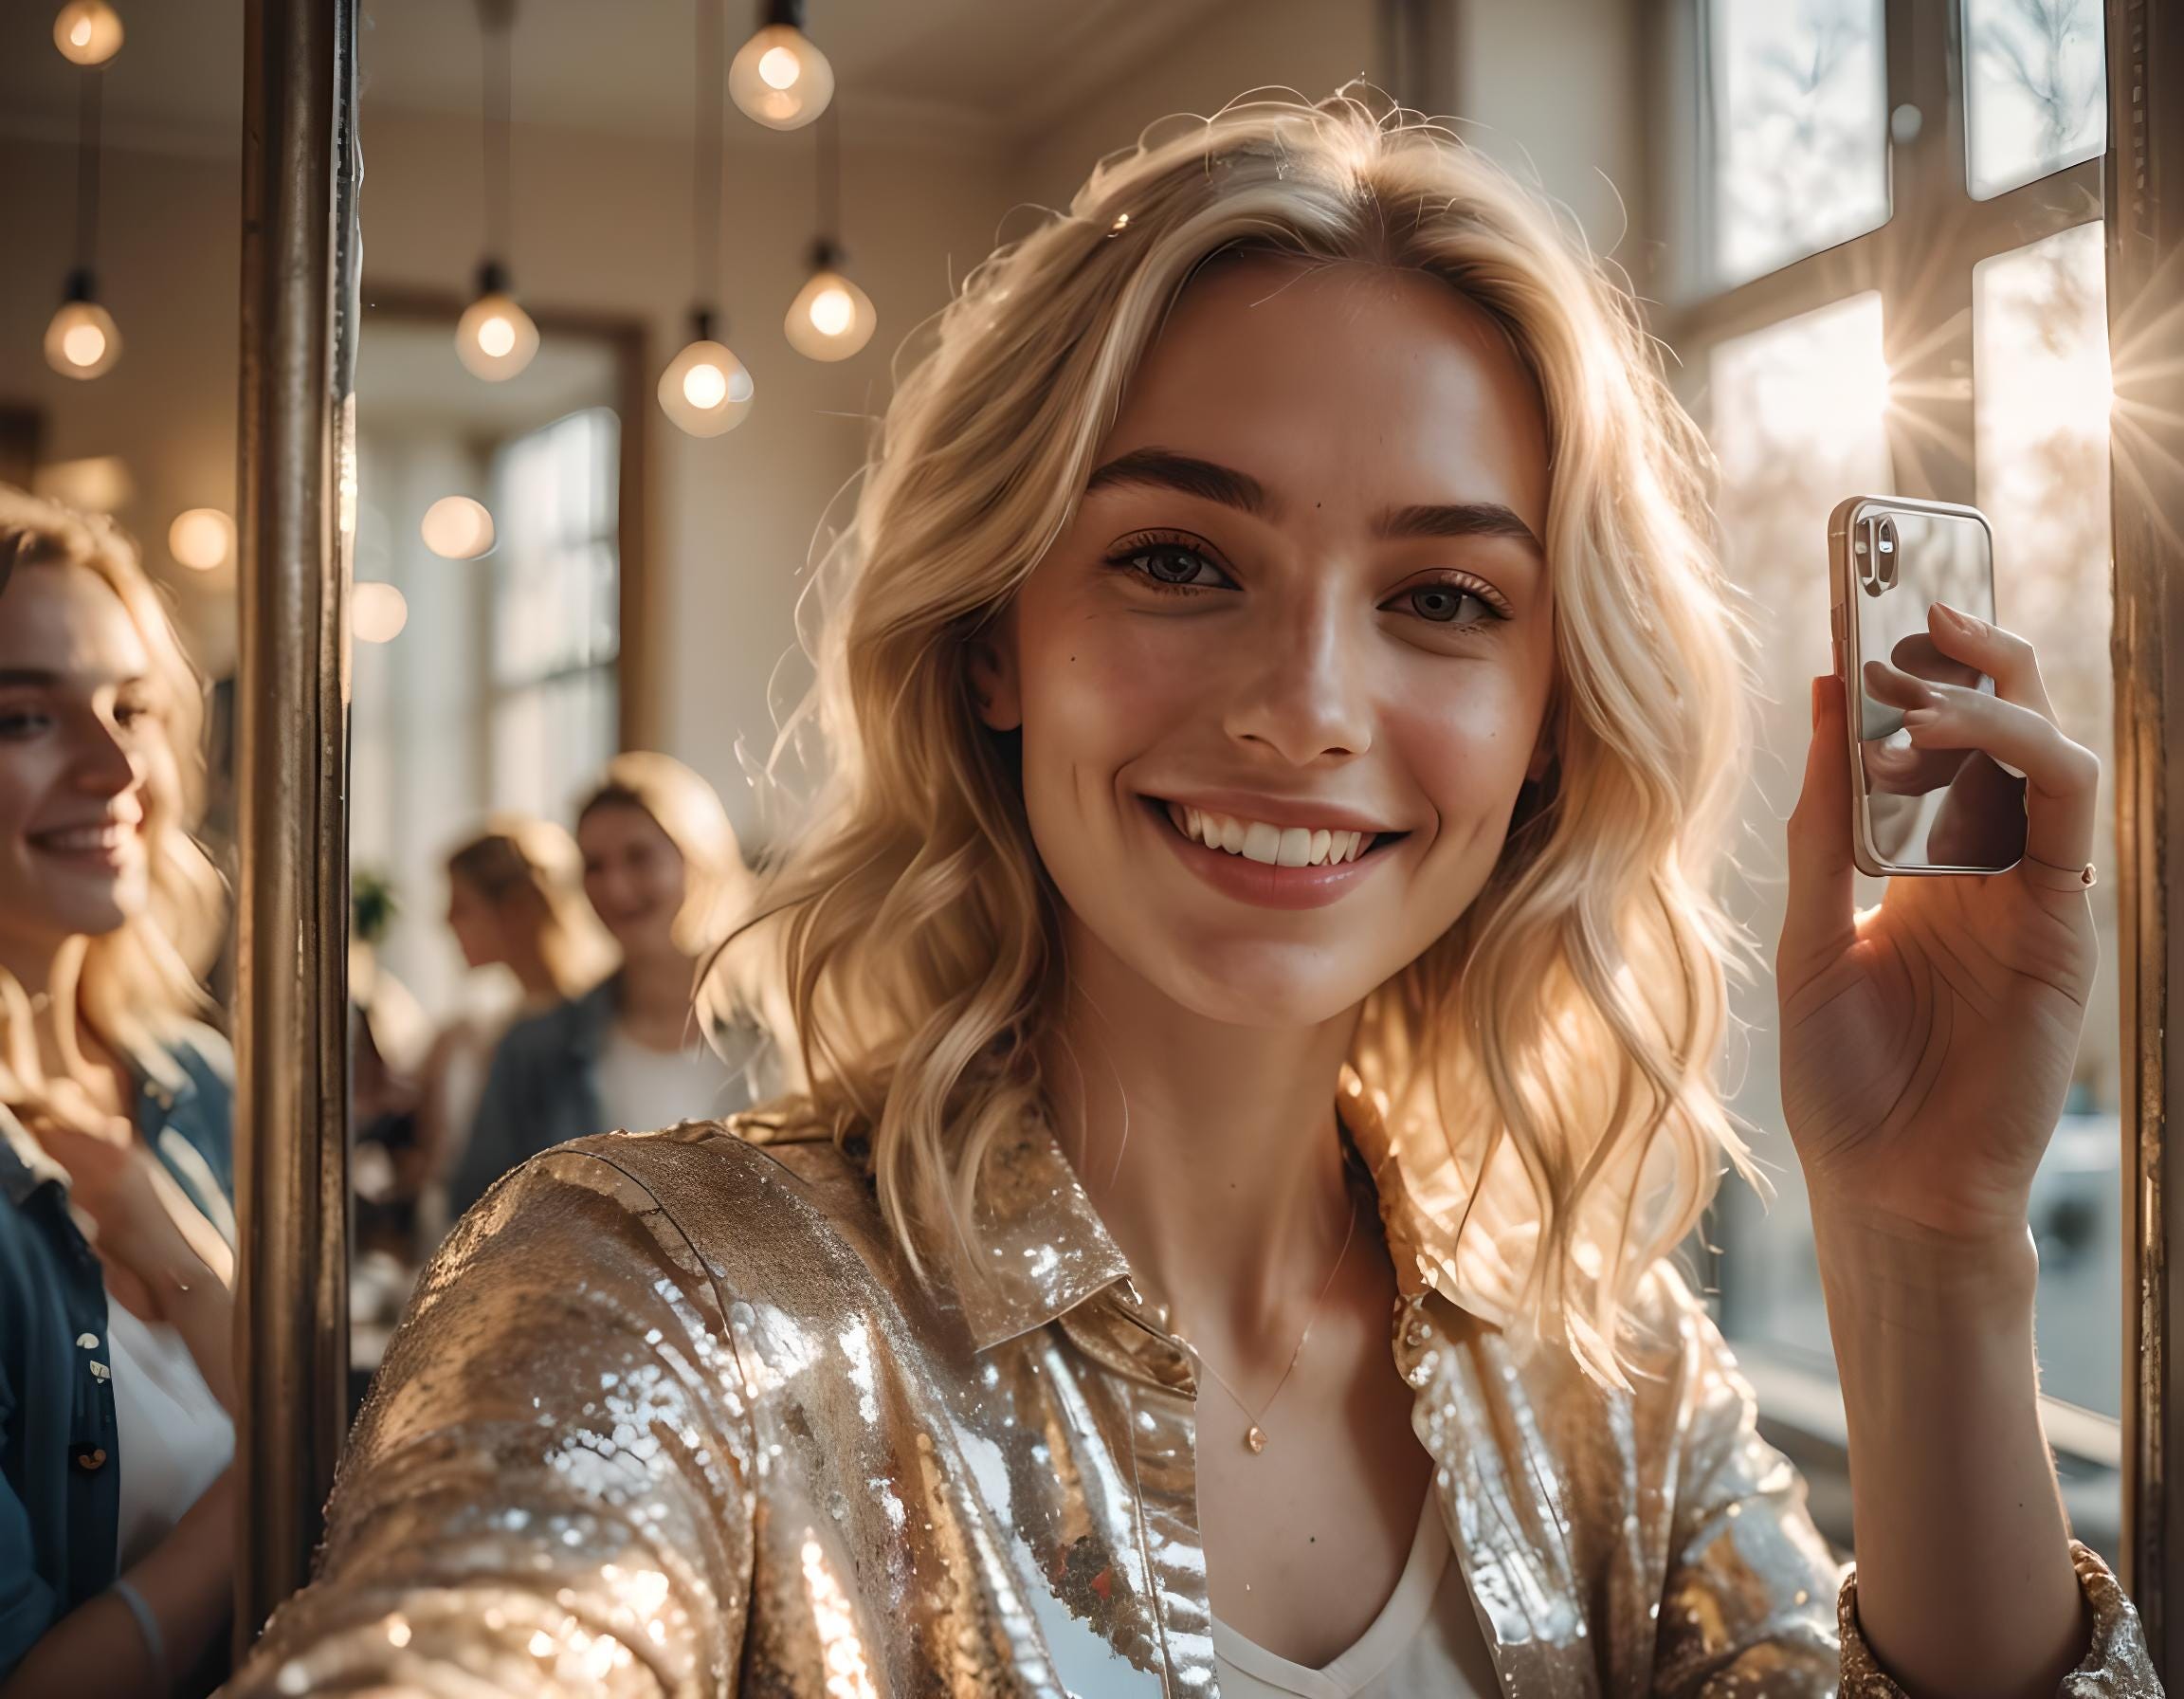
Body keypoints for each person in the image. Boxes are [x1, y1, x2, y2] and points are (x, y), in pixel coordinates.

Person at [228, 97, 2156, 1696]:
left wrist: (1929, 1240)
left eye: (1443, 598)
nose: (1306, 706)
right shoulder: (663, 1300)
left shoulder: (1605, 1369)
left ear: (1552, 721)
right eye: (1177, 559)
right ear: (995, 638)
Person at [0, 491, 238, 1697]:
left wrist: (170, 1243)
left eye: (133, 707)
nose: (114, 765)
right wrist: (280, 1496)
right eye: (27, 715)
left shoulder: (197, 1085)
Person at [446, 753, 762, 1216]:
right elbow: (475, 1221)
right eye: (595, 865)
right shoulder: (534, 1050)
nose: (615, 887)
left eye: (639, 857)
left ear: (697, 858)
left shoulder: (784, 1030)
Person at [408, 819, 612, 1247]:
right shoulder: (484, 1027)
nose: (445, 919)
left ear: (517, 908)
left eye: (462, 905)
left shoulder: (577, 1036)